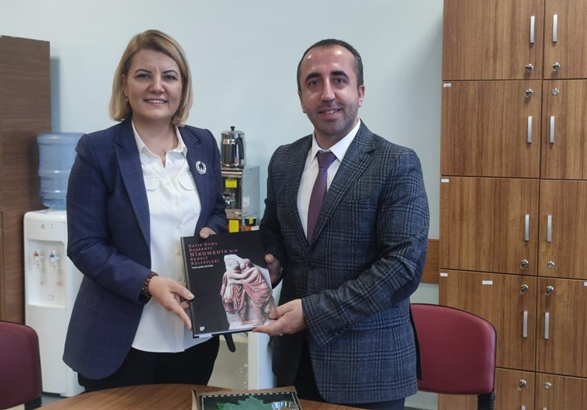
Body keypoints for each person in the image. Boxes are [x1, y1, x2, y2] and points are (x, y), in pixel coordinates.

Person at [254, 39, 430, 410]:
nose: (327, 94)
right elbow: (274, 233)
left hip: (368, 369)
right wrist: (271, 262)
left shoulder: (396, 163)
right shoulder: (283, 161)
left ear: (360, 92)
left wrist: (313, 313)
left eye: (339, 80)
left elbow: (402, 268)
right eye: (313, 82)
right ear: (301, 98)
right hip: (294, 363)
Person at [63, 29, 227, 392]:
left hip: (193, 334)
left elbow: (216, 212)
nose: (157, 86)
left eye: (169, 76)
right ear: (125, 84)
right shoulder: (98, 151)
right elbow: (85, 245)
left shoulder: (203, 143)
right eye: (143, 75)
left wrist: (212, 232)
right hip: (121, 338)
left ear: (182, 87)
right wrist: (148, 283)